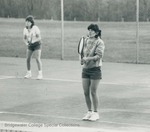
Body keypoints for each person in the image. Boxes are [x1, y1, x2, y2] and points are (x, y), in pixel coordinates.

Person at [81, 24, 105, 121]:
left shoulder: (100, 42)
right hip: (85, 70)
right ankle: (89, 112)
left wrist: (88, 58)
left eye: (92, 30)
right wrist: (83, 59)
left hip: (95, 70)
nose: (90, 32)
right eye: (89, 30)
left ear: (96, 32)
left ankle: (96, 113)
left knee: (93, 92)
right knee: (86, 92)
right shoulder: (86, 40)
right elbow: (83, 52)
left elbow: (98, 56)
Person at [23, 15, 43, 80]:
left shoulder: (35, 28)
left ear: (31, 23)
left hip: (37, 44)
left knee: (37, 58)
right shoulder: (25, 29)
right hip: (30, 45)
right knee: (28, 59)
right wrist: (27, 43)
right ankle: (29, 73)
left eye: (28, 22)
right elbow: (24, 38)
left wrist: (34, 39)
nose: (27, 23)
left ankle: (40, 74)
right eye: (26, 21)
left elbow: (39, 38)